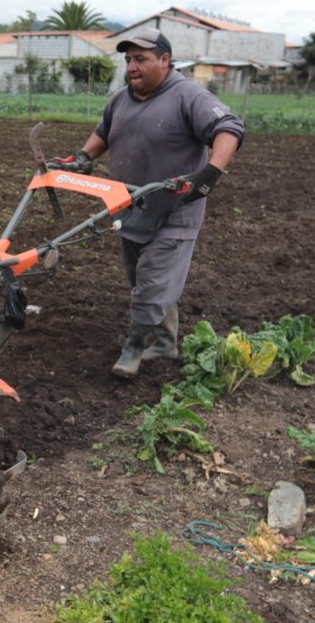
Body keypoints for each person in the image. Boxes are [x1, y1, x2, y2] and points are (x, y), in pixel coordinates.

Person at [49, 26, 245, 379]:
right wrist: (82, 156)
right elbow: (103, 132)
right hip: (131, 207)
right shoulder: (121, 98)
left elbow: (229, 127)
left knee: (153, 282)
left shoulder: (188, 95)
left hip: (176, 210)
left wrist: (209, 175)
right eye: (128, 60)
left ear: (165, 60)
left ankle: (134, 347)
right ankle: (167, 342)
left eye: (140, 59)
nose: (132, 67)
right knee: (145, 282)